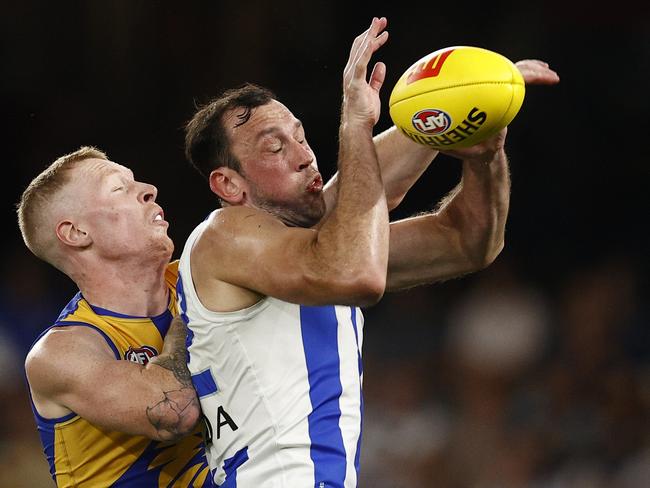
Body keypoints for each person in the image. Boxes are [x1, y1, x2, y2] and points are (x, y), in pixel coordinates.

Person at [179, 17, 558, 488]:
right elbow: (358, 270)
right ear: (228, 184)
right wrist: (357, 122)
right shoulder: (223, 235)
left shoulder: (317, 252)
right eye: (275, 147)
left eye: (300, 135)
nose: (304, 155)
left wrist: (482, 140)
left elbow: (469, 242)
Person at [18, 147, 212, 486]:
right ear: (76, 233)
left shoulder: (199, 273)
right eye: (119, 188)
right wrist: (199, 304)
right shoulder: (60, 354)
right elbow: (173, 413)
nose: (149, 189)